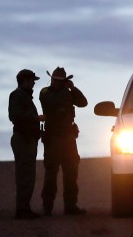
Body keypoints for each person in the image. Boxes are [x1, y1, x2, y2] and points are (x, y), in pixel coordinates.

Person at [39, 67, 88, 215]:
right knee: (51, 175)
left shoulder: (68, 92)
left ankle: (70, 205)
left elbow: (83, 102)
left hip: (68, 138)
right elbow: (51, 104)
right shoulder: (45, 92)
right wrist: (66, 92)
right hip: (53, 138)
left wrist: (73, 88)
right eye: (55, 80)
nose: (56, 83)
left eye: (59, 81)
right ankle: (47, 207)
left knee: (71, 173)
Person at [8, 69, 45, 220]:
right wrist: (36, 118)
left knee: (28, 175)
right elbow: (14, 116)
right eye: (31, 80)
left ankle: (24, 208)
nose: (33, 83)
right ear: (24, 81)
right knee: (25, 175)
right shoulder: (17, 95)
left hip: (27, 139)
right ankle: (22, 209)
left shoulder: (24, 96)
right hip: (23, 139)